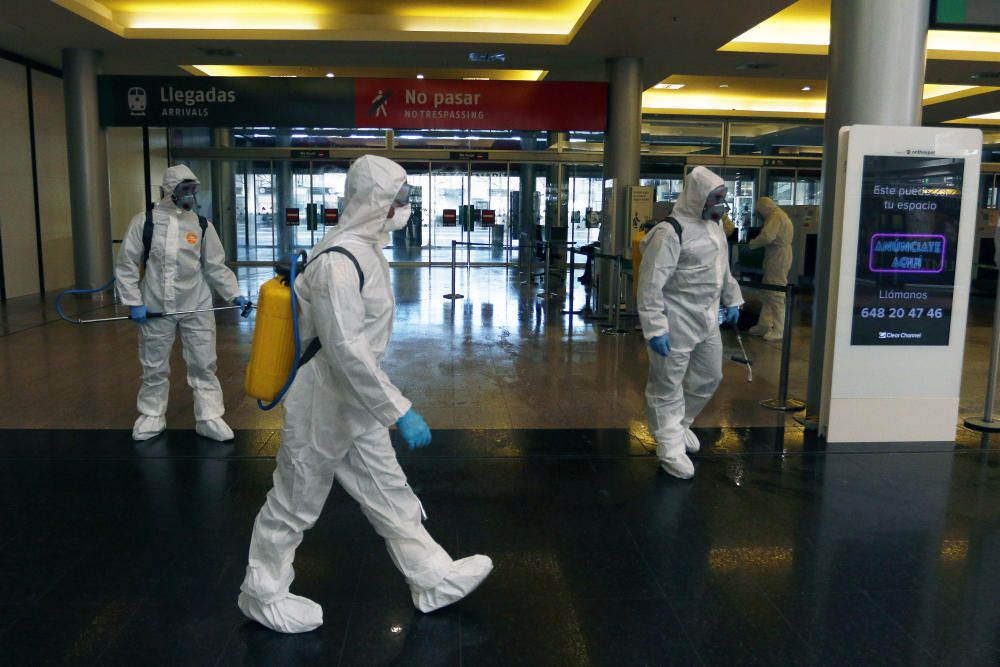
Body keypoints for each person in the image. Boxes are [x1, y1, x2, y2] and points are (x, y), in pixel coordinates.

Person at [238, 155, 492, 634]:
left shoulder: (364, 249)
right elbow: (346, 350)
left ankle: (431, 577)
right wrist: (400, 410)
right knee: (295, 499)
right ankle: (262, 592)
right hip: (324, 403)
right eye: (400, 199)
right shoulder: (339, 260)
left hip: (353, 401)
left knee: (388, 491)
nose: (407, 208)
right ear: (378, 202)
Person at [115, 165, 247, 442]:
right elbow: (127, 264)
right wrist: (133, 301)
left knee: (203, 362)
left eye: (193, 190)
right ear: (170, 190)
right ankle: (152, 414)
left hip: (196, 304)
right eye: (185, 189)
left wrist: (234, 294)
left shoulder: (201, 225)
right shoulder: (144, 222)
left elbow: (215, 265)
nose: (190, 195)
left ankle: (209, 416)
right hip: (154, 305)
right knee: (154, 364)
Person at [637, 166, 743, 480]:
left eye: (723, 197)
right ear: (699, 196)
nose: (721, 204)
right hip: (675, 319)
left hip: (707, 318)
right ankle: (668, 446)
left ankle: (679, 424)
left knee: (710, 376)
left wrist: (732, 298)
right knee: (667, 384)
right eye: (716, 198)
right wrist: (655, 327)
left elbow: (723, 269)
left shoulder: (715, 229)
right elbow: (651, 283)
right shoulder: (670, 231)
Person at [747, 196, 794, 342]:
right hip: (774, 255)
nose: (760, 215)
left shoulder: (776, 216)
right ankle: (765, 324)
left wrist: (752, 244)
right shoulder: (776, 215)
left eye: (759, 211)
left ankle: (779, 329)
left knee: (776, 293)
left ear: (764, 208)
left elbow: (767, 237)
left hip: (778, 257)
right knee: (767, 293)